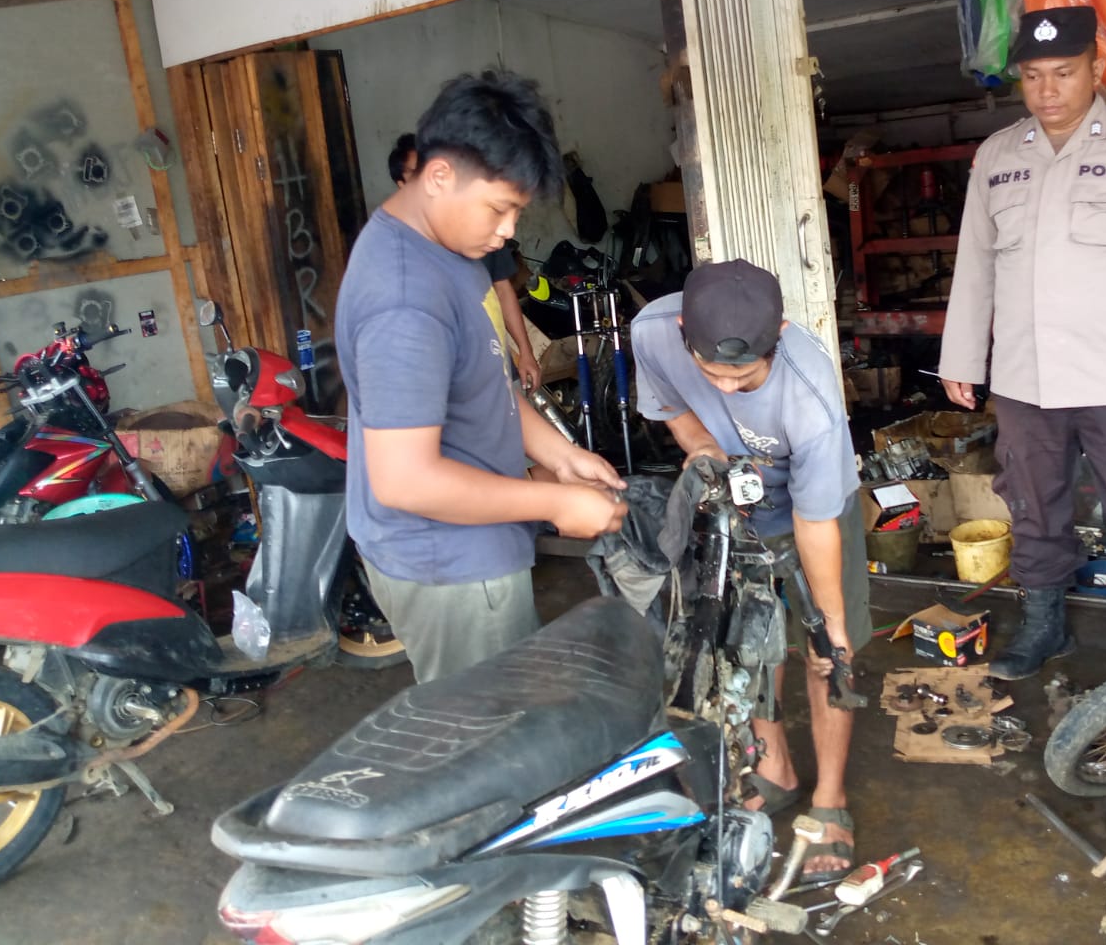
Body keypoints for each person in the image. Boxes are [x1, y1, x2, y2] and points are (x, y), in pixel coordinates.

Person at [938, 6, 1106, 680]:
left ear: (1096, 69)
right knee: (1032, 505)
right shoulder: (997, 155)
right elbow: (975, 264)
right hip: (1026, 379)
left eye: (1063, 72)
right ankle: (1044, 624)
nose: (1047, 89)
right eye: (1033, 76)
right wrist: (961, 358)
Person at [339, 72, 627, 683]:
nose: (509, 230)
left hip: (471, 545)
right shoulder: (404, 301)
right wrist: (555, 501)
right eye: (500, 208)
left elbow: (483, 381)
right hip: (450, 564)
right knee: (491, 728)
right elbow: (405, 479)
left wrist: (561, 456)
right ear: (439, 176)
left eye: (517, 211)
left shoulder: (447, 247)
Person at [630, 260, 871, 878]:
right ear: (684, 332)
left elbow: (815, 522)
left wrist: (831, 624)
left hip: (815, 511)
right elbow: (669, 405)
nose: (728, 388)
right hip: (733, 502)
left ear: (780, 334)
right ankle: (776, 768)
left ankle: (830, 798)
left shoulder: (809, 392)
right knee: (750, 642)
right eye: (713, 374)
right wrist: (705, 448)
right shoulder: (653, 331)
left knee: (826, 653)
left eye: (745, 377)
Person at [389, 133, 541, 391]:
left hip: (496, 367)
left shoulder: (479, 224)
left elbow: (503, 290)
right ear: (402, 184)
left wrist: (525, 352)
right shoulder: (399, 247)